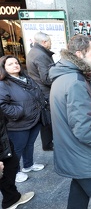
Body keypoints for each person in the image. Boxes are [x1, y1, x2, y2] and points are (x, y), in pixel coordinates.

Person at [49, 35, 91, 209]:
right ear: (79, 54)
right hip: (85, 158)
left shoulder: (66, 76)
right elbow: (85, 130)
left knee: (78, 199)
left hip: (75, 155)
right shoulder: (74, 82)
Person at [0, 55, 45, 184]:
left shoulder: (26, 78)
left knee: (29, 144)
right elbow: (2, 105)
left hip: (34, 119)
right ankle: (15, 171)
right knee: (17, 148)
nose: (15, 65)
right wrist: (18, 113)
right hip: (18, 123)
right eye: (10, 64)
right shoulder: (3, 84)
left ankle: (28, 165)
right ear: (3, 68)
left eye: (16, 62)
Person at [26, 31, 54, 151]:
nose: (51, 44)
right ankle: (48, 144)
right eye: (50, 42)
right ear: (44, 42)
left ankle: (47, 144)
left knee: (46, 119)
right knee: (49, 119)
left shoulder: (34, 52)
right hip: (45, 92)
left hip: (40, 90)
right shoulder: (41, 55)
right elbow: (47, 78)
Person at [0, 110, 34, 209]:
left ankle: (12, 198)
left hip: (4, 141)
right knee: (7, 170)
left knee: (11, 166)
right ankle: (11, 199)